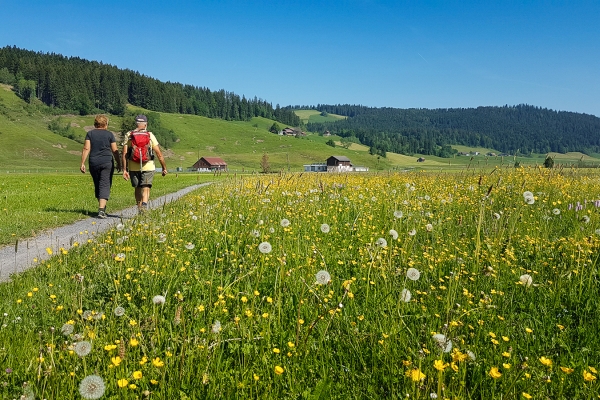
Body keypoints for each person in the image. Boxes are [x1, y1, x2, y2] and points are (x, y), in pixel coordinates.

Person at [122, 114, 168, 213]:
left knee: (138, 188)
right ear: (145, 124)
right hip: (148, 166)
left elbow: (125, 153)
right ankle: (144, 205)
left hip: (133, 167)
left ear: (136, 123)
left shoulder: (129, 135)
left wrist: (124, 169)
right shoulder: (150, 135)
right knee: (146, 187)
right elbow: (159, 154)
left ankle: (140, 209)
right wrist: (164, 167)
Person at [80, 114, 122, 218]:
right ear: (106, 124)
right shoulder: (109, 135)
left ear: (95, 124)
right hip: (107, 161)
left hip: (94, 161)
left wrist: (82, 163)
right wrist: (119, 163)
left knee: (98, 183)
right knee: (105, 183)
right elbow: (115, 151)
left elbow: (86, 149)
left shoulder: (90, 134)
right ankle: (101, 210)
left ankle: (101, 208)